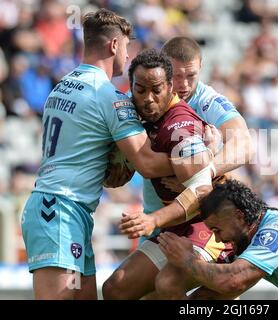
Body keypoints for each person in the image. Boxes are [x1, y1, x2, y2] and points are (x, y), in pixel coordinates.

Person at [20, 9, 175, 300]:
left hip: (65, 209)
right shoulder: (109, 96)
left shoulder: (60, 87)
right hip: (59, 209)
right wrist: (202, 159)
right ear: (114, 46)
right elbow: (149, 164)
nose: (128, 56)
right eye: (127, 47)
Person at [102, 37, 254, 299]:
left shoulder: (206, 101)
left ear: (201, 68)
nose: (184, 85)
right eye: (177, 75)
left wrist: (203, 169)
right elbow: (122, 169)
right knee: (117, 289)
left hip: (205, 218)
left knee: (169, 284)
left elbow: (244, 145)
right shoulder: (141, 98)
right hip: (165, 220)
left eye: (191, 75)